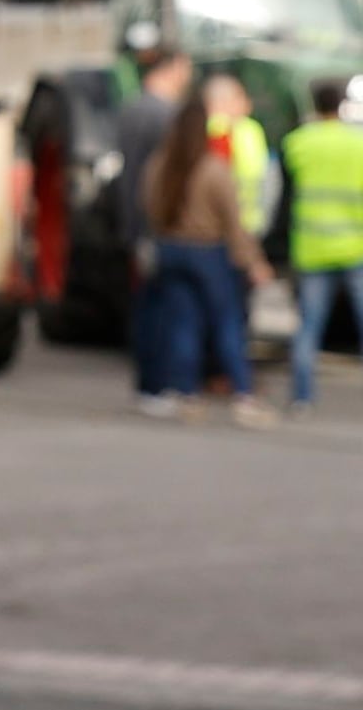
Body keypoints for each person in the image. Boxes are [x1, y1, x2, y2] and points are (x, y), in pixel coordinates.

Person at [134, 73, 269, 424]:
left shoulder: (159, 166)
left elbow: (146, 205)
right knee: (226, 325)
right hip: (208, 252)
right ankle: (243, 391)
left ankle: (186, 392)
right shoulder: (214, 169)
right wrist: (251, 261)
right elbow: (233, 221)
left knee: (183, 326)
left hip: (169, 249)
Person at [276, 71, 363, 416]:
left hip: (313, 247)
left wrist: (277, 247)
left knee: (308, 326)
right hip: (358, 246)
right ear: (344, 105)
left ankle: (302, 396)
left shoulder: (297, 142)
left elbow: (285, 202)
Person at [110, 43, 198, 400]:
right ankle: (166, 383)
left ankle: (149, 384)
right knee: (170, 311)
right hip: (163, 227)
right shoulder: (169, 116)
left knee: (147, 306)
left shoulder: (130, 110)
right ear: (175, 67)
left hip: (135, 223)